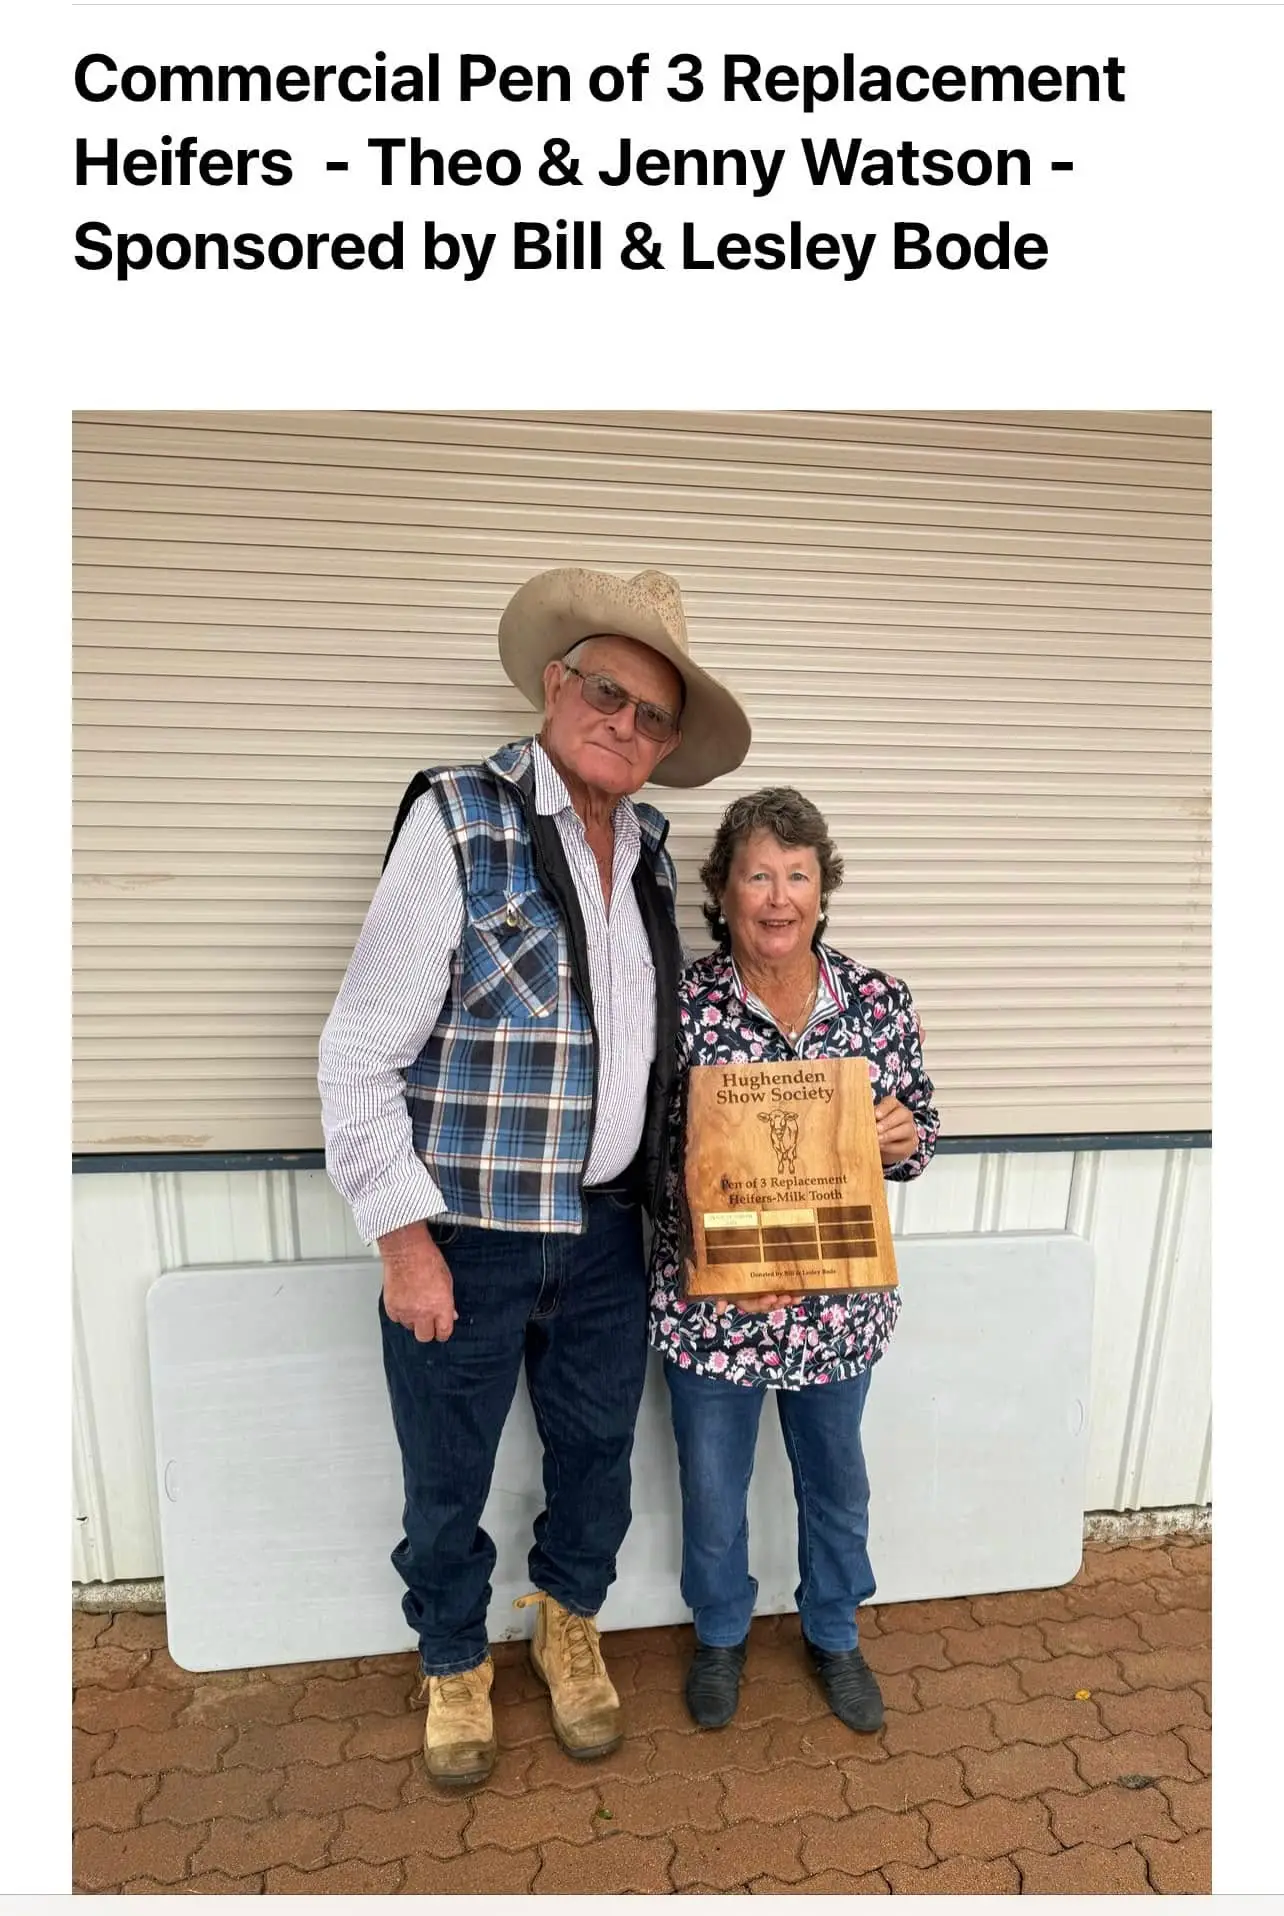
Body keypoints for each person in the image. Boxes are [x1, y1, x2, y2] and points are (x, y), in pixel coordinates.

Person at [318, 566, 750, 1786]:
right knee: (445, 1469)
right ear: (557, 684)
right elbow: (359, 1048)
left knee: (597, 1453)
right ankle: (454, 1656)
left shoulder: (652, 851)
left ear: (667, 745)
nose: (625, 723)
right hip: (466, 1231)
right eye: (608, 691)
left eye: (653, 714)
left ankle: (569, 1623)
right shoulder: (461, 818)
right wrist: (403, 1237)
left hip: (609, 1232)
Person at [647, 788, 939, 1734]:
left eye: (798, 876)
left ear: (823, 890)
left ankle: (835, 1633)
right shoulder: (678, 1005)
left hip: (836, 1305)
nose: (779, 898)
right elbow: (644, 1155)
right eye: (759, 876)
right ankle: (720, 1635)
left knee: (837, 1484)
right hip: (715, 1307)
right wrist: (710, 1238)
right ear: (724, 892)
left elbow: (922, 1132)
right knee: (711, 1490)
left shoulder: (880, 1002)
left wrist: (903, 1136)